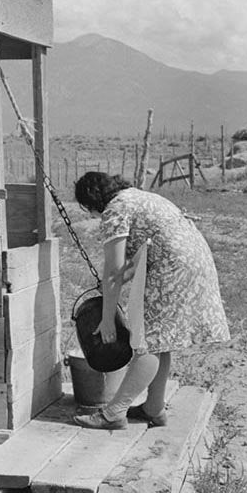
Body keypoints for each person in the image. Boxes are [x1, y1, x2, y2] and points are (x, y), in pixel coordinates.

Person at [72, 172, 230, 430]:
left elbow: (114, 271)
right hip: (194, 260)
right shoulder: (138, 197)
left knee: (148, 343)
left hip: (173, 268)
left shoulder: (115, 210)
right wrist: (115, 283)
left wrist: (107, 320)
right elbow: (133, 260)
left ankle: (113, 413)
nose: (92, 214)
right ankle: (153, 408)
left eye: (88, 209)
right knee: (161, 339)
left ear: (91, 202)